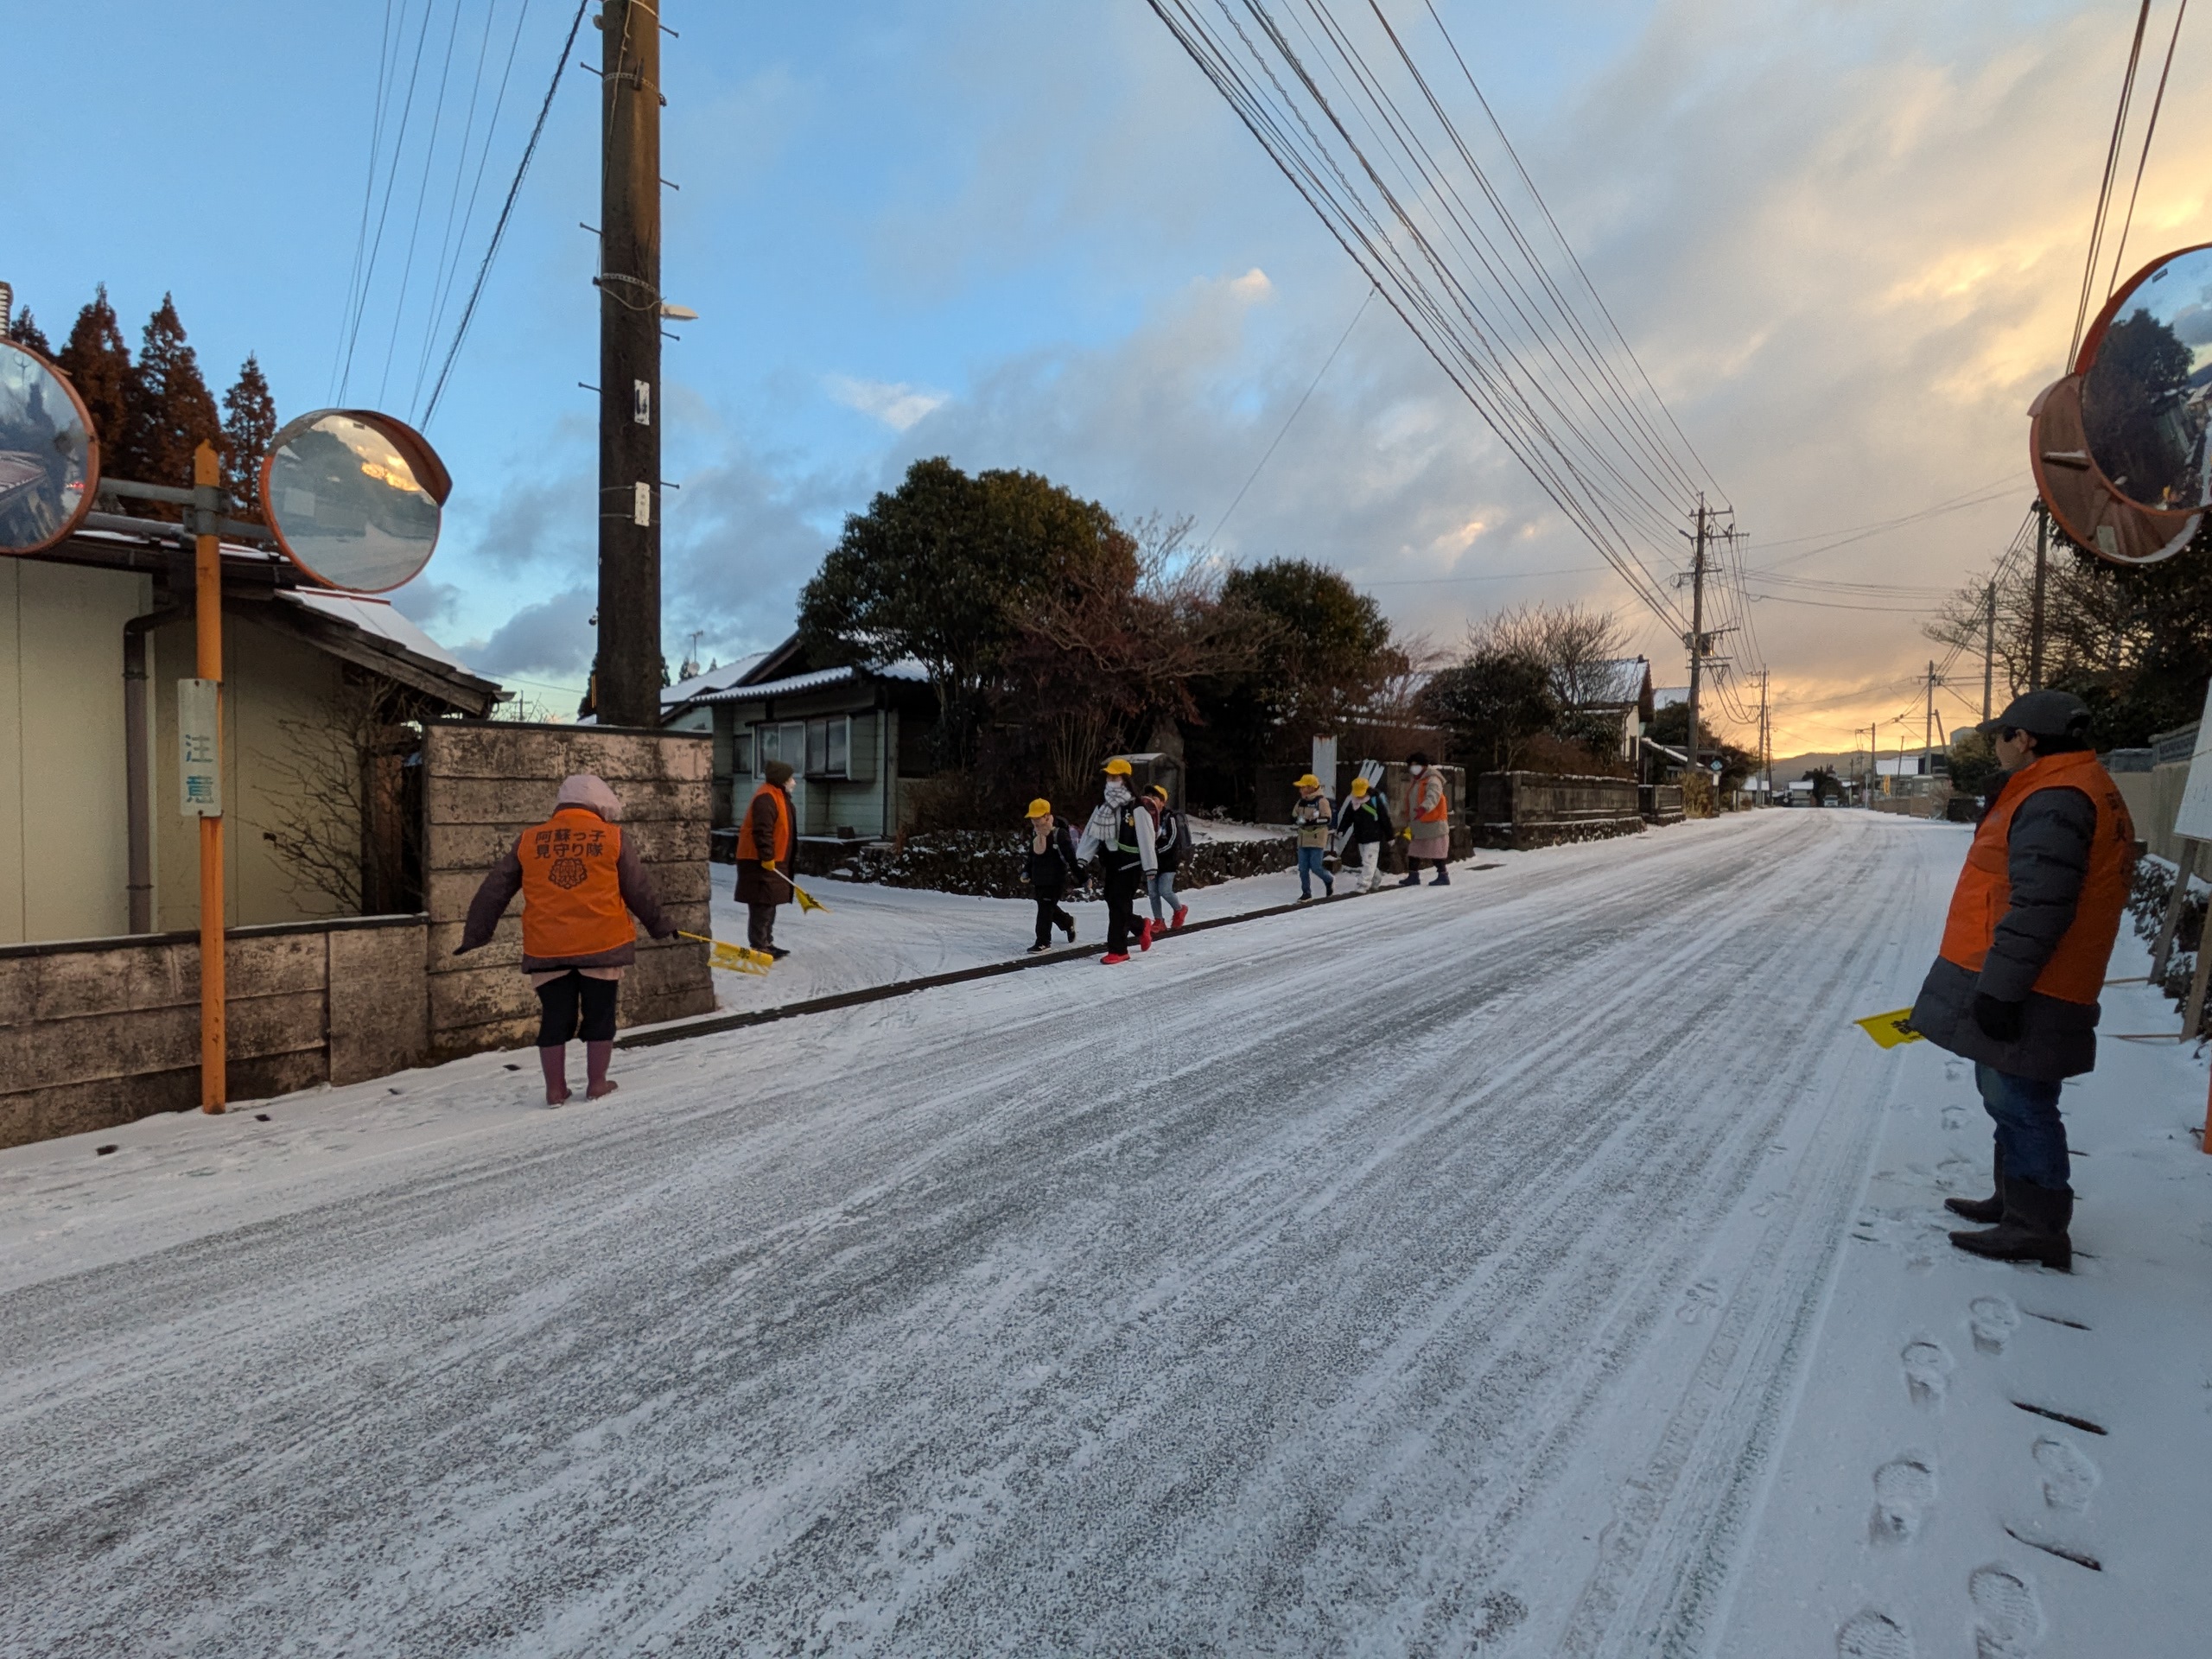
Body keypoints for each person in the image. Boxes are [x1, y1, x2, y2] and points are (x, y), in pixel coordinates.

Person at [1908, 690, 2137, 1272]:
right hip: (2032, 974)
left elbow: (2040, 905)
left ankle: (2036, 1226)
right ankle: (2014, 1201)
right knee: (2009, 1095)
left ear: (2026, 739)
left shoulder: (2056, 798)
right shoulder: (2069, 786)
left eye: (2002, 736)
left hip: (2033, 981)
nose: (1997, 747)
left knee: (2021, 1101)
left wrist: (2000, 989)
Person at [456, 772, 674, 1105]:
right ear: (599, 804)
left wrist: (476, 934)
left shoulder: (530, 840)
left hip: (547, 947)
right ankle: (597, 1084)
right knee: (600, 1014)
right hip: (602, 944)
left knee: (555, 1017)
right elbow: (638, 891)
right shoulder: (613, 837)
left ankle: (555, 1090)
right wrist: (660, 925)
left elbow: (493, 891)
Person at [1077, 757, 1157, 963]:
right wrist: (1082, 858)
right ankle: (1140, 926)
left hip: (1130, 863)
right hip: (1111, 862)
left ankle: (1118, 949)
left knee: (1120, 903)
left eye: (1116, 777)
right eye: (1109, 777)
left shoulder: (1137, 808)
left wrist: (1150, 866)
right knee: (1112, 900)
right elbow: (1091, 834)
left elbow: (1146, 837)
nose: (1111, 781)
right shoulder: (1102, 807)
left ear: (1125, 780)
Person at [736, 760, 798, 959]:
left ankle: (766, 942)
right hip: (759, 861)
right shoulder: (767, 798)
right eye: (790, 778)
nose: (793, 782)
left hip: (773, 860)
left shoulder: (778, 796)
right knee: (762, 904)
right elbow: (762, 830)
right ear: (781, 779)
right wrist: (767, 856)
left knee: (770, 902)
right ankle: (759, 945)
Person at [1024, 798, 1082, 954]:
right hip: (1039, 878)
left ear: (1046, 816)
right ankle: (1067, 922)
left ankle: (1043, 941)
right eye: (1032, 818)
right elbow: (1032, 856)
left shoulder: (1059, 834)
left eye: (1038, 817)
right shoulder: (1036, 833)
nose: (1035, 821)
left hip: (1055, 879)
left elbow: (1071, 858)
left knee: (1044, 909)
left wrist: (1083, 877)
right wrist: (1026, 871)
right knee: (1047, 907)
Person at [1334, 773, 1394, 893]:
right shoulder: (1353, 803)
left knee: (1368, 862)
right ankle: (1376, 878)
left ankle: (1363, 884)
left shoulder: (1375, 800)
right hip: (1360, 837)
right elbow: (1347, 818)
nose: (1359, 795)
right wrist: (1341, 830)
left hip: (1373, 837)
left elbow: (1384, 819)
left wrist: (1390, 836)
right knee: (1367, 862)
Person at [1398, 753, 1451, 887]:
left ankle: (1443, 875)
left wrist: (1424, 808)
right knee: (1414, 851)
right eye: (1411, 765)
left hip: (1433, 824)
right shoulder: (1418, 780)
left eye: (1416, 765)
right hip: (1419, 824)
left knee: (1436, 852)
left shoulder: (1433, 780)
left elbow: (1433, 796)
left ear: (1424, 766)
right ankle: (1413, 876)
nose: (1413, 768)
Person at [1145, 783, 1191, 931]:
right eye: (1148, 797)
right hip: (1151, 862)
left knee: (1165, 890)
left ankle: (1179, 909)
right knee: (1153, 893)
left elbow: (1173, 840)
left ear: (1163, 802)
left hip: (1168, 861)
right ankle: (1159, 921)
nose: (1151, 800)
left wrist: (1157, 851)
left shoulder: (1169, 817)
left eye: (1155, 798)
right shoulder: (1145, 817)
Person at [1291, 772, 1334, 901]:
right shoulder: (1301, 802)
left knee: (1316, 867)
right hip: (1303, 839)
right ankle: (1306, 893)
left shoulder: (1321, 801)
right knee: (1303, 868)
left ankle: (1329, 879)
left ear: (1311, 788)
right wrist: (1300, 820)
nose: (1300, 790)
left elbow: (1327, 819)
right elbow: (1293, 816)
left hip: (1317, 839)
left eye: (1303, 787)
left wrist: (1312, 822)